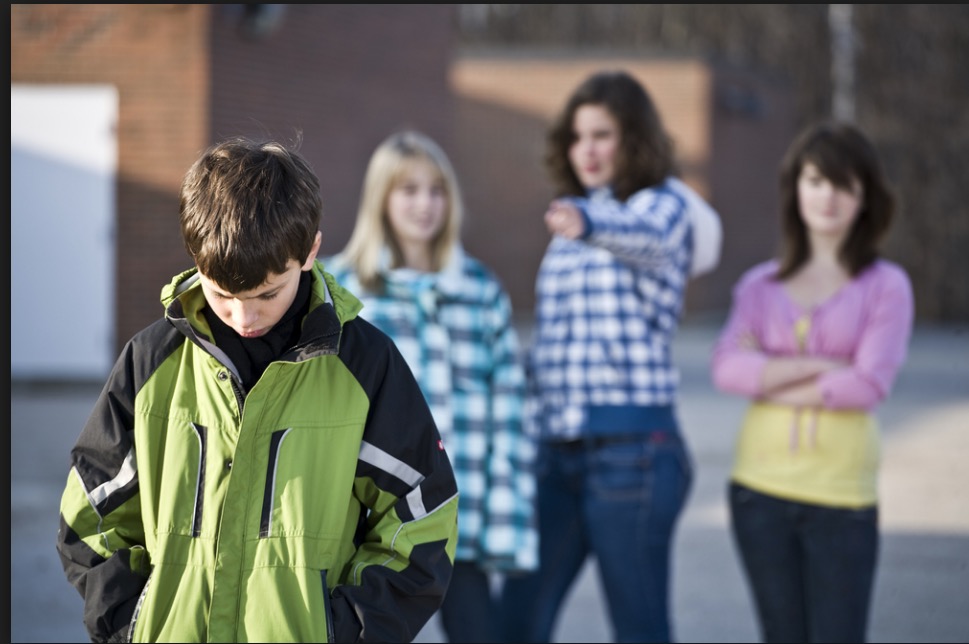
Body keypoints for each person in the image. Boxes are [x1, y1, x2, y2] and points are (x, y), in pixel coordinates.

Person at [55, 136, 460, 643]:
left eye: (268, 293)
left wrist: (344, 632)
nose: (245, 316)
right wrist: (131, 625)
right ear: (195, 259)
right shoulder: (152, 361)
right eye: (222, 293)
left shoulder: (365, 366)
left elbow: (421, 519)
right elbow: (91, 513)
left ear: (310, 251)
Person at [499, 70, 723, 643]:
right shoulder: (574, 220)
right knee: (516, 621)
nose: (587, 150)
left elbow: (643, 235)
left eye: (602, 135)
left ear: (634, 137)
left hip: (633, 454)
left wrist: (591, 222)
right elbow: (558, 342)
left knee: (639, 628)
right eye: (578, 137)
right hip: (557, 451)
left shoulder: (666, 206)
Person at [326, 130, 537, 643]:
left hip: (457, 516)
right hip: (373, 521)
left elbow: (509, 412)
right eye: (409, 190)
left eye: (437, 190)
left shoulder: (480, 291)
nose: (425, 204)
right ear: (381, 198)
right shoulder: (341, 290)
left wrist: (505, 524)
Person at [710, 121, 914, 643]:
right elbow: (726, 369)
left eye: (844, 184)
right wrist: (822, 368)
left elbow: (868, 386)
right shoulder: (759, 285)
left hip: (841, 494)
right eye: (816, 180)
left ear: (865, 196)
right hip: (759, 489)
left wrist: (768, 373)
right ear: (795, 188)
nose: (828, 197)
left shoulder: (886, 286)